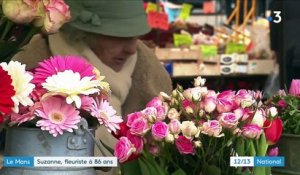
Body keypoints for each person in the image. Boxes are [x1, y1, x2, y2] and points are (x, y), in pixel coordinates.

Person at [13, 0, 173, 174]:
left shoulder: (149, 72)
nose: (132, 49)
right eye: (120, 36)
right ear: (82, 33)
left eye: (135, 37)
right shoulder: (28, 64)